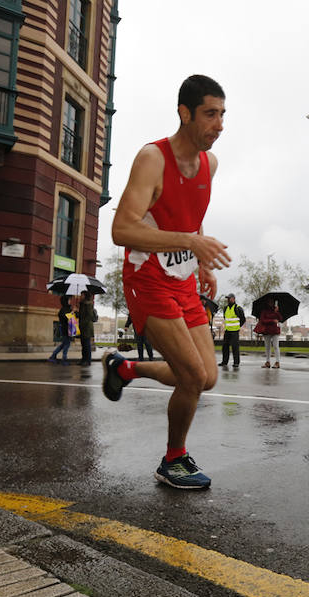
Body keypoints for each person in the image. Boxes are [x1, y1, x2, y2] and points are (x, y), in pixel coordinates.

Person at [102, 74, 231, 490]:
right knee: (191, 376)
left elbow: (191, 219)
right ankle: (173, 459)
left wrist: (202, 260)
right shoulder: (153, 159)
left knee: (206, 377)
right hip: (147, 280)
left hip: (182, 280)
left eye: (223, 115)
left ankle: (126, 368)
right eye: (210, 114)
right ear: (184, 113)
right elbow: (121, 229)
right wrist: (191, 242)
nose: (219, 125)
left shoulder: (210, 164)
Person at [218, 293, 245, 367]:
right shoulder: (225, 308)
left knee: (235, 347)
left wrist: (238, 326)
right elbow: (225, 318)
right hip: (227, 331)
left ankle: (236, 362)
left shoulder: (238, 308)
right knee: (225, 347)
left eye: (229, 298)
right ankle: (224, 362)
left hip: (235, 331)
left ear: (233, 299)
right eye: (227, 298)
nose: (228, 300)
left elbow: (243, 319)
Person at [48, 295, 73, 365]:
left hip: (68, 329)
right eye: (69, 300)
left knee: (64, 344)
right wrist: (71, 313)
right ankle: (64, 359)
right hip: (66, 329)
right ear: (66, 301)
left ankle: (53, 356)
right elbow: (66, 318)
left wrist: (73, 312)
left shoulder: (67, 309)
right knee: (67, 344)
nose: (70, 301)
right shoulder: (64, 310)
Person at [258, 297, 282, 369]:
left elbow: (280, 319)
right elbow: (262, 320)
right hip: (266, 331)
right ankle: (267, 362)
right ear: (267, 302)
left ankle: (277, 362)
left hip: (275, 331)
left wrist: (277, 312)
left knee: (276, 346)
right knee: (267, 347)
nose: (271, 303)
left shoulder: (276, 310)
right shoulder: (264, 311)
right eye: (269, 302)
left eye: (272, 302)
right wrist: (272, 321)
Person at [77, 291, 95, 366]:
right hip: (82, 327)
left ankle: (88, 360)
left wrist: (83, 324)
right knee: (83, 344)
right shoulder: (82, 304)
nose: (80, 296)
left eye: (82, 295)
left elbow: (89, 316)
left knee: (86, 345)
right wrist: (76, 312)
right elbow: (81, 315)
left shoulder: (88, 304)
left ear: (85, 296)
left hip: (87, 328)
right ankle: (83, 359)